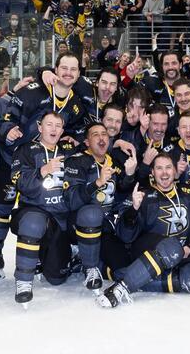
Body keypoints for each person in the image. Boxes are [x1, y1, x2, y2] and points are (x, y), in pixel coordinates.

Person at [0, 53, 86, 281]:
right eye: (64, 68)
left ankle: (38, 254)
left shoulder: (76, 103)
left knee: (39, 210)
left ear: (78, 74)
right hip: (13, 160)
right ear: (55, 70)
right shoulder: (32, 91)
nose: (68, 73)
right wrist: (8, 130)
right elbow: (5, 118)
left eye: (73, 69)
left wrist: (74, 139)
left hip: (44, 165)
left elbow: (78, 128)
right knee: (1, 209)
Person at [96, 154, 190, 308]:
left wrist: (189, 247)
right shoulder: (143, 195)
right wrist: (133, 209)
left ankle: (127, 276)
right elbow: (125, 237)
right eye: (159, 168)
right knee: (171, 248)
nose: (164, 173)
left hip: (183, 253)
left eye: (168, 167)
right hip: (147, 250)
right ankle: (121, 288)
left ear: (175, 171)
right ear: (152, 173)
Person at [10, 112, 77, 305]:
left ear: (63, 130)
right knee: (33, 223)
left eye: (58, 126)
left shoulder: (69, 150)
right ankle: (23, 280)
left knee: (57, 278)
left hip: (60, 220)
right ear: (40, 127)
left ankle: (54, 253)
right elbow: (19, 183)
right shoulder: (26, 150)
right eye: (49, 124)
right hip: (34, 212)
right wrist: (43, 171)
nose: (54, 129)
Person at [63, 123, 138, 294]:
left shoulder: (113, 161)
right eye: (95, 134)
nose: (101, 137)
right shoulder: (77, 161)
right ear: (88, 142)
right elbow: (72, 201)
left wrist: (129, 174)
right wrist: (96, 183)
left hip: (104, 226)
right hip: (78, 223)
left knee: (122, 264)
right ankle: (89, 266)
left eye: (104, 134)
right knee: (92, 213)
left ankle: (91, 259)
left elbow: (120, 191)